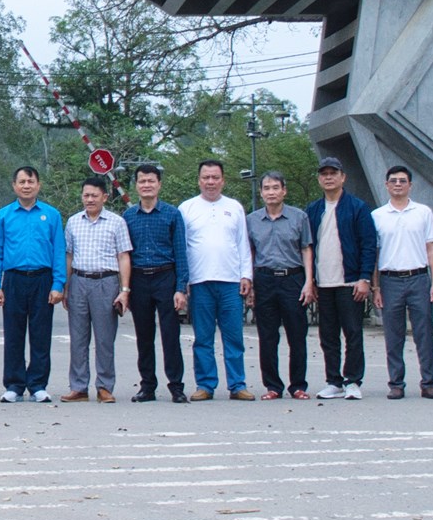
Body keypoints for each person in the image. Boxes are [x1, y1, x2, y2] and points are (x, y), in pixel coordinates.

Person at [0, 165, 65, 403]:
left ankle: (38, 385)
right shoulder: (3, 215)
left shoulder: (51, 215)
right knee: (13, 334)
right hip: (13, 279)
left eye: (30, 181)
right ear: (14, 186)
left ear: (38, 185)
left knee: (41, 334)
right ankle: (14, 384)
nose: (26, 186)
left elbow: (59, 252)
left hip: (43, 279)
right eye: (21, 182)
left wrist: (58, 284)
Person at [305, 156, 378, 400]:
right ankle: (333, 381)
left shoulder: (357, 207)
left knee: (353, 333)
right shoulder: (313, 210)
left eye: (333, 173)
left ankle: (353, 381)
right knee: (328, 334)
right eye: (324, 173)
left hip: (350, 281)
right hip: (323, 283)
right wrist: (311, 281)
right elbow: (307, 247)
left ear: (342, 177)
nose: (328, 177)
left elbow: (369, 245)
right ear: (319, 179)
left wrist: (364, 278)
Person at [179, 160, 252, 401]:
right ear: (199, 180)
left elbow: (243, 244)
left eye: (215, 177)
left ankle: (237, 384)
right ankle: (205, 385)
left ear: (223, 180)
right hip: (200, 282)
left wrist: (246, 275)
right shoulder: (187, 208)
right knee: (203, 338)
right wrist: (184, 281)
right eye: (206, 177)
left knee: (233, 336)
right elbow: (182, 248)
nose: (210, 182)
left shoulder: (234, 207)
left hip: (230, 281)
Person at [123, 162, 190, 402]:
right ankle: (147, 386)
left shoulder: (173, 214)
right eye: (142, 181)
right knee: (144, 335)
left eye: (151, 180)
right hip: (139, 278)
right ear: (137, 185)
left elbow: (181, 252)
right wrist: (126, 288)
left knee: (171, 334)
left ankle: (176, 386)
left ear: (159, 184)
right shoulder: (129, 216)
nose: (147, 185)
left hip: (166, 277)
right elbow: (125, 256)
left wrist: (181, 287)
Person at [370, 165, 433, 399]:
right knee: (393, 335)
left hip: (419, 278)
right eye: (393, 181)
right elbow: (375, 255)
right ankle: (396, 383)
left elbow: (432, 248)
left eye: (402, 181)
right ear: (386, 185)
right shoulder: (377, 216)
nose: (398, 184)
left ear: (410, 185)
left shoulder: (423, 212)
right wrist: (376, 287)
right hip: (390, 281)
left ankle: (428, 382)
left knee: (424, 333)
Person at [62, 175, 131, 402]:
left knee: (104, 338)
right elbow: (69, 256)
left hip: (106, 282)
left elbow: (123, 257)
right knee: (78, 337)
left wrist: (124, 289)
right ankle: (79, 387)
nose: (89, 199)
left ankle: (104, 386)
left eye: (94, 195)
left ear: (105, 196)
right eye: (86, 195)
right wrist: (66, 286)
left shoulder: (116, 222)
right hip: (79, 282)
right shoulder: (73, 222)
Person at [247, 171, 314, 400]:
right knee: (267, 335)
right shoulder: (252, 220)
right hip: (264, 279)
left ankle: (298, 385)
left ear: (284, 190)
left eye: (276, 187)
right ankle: (272, 386)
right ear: (261, 192)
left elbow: (306, 249)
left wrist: (308, 282)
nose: (271, 192)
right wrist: (251, 284)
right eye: (267, 188)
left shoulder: (299, 217)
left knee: (297, 334)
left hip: (293, 278)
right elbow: (251, 252)